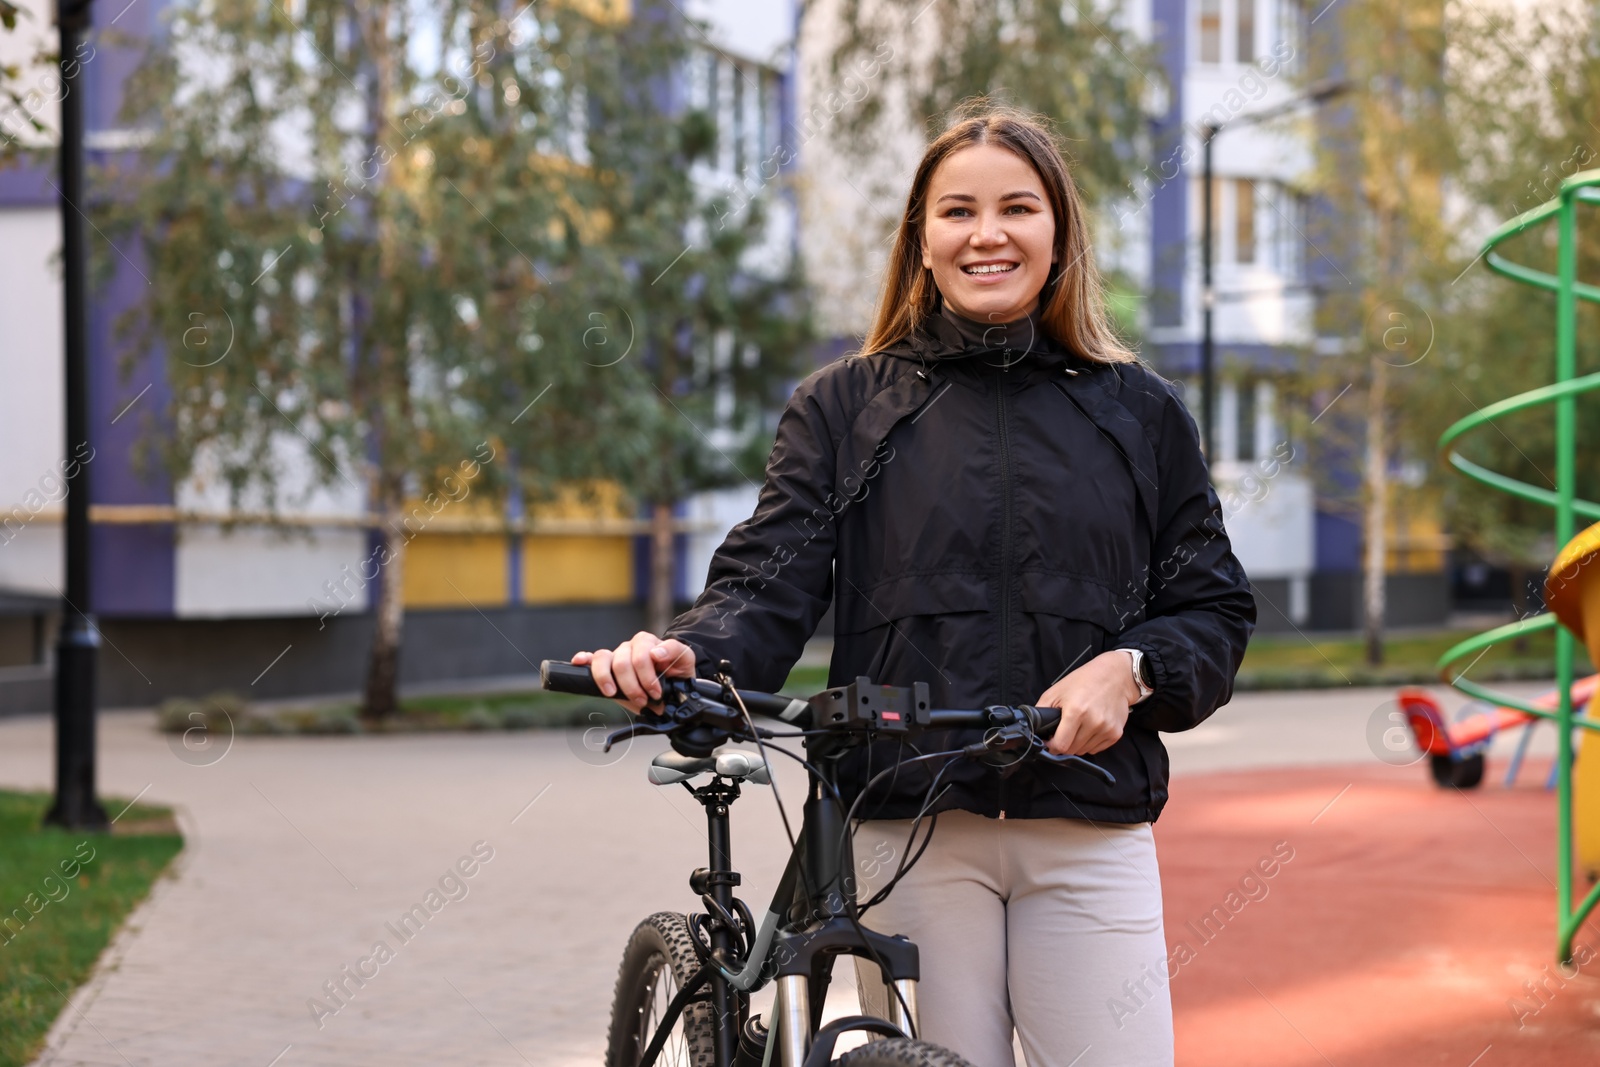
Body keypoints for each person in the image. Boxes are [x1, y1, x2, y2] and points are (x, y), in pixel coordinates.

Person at [573, 103, 1255, 1067]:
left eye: (1017, 208)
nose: (988, 234)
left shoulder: (1140, 412)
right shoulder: (844, 404)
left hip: (1088, 820)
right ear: (921, 240)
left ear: (1058, 234)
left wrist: (1133, 669)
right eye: (957, 212)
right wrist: (693, 649)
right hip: (907, 825)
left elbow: (1214, 603)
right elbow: (769, 579)